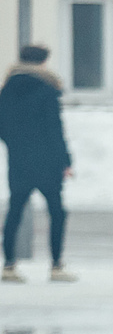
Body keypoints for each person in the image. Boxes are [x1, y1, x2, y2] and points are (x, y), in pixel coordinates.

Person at [0, 42, 71, 283]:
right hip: (47, 162)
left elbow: (3, 127)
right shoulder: (47, 88)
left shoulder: (7, 89)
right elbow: (54, 128)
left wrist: (16, 146)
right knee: (57, 212)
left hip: (19, 161)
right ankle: (56, 265)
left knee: (15, 211)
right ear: (42, 62)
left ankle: (9, 265)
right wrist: (65, 160)